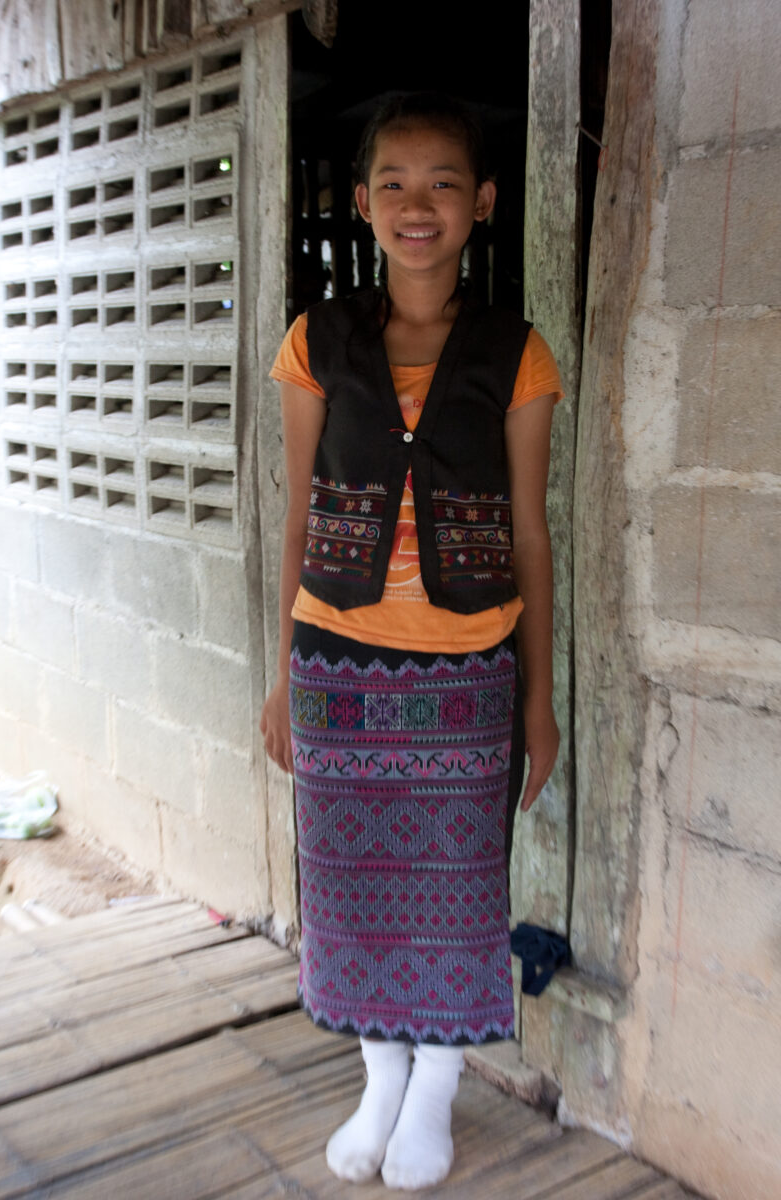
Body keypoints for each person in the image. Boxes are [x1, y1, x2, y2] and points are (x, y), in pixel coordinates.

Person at [261, 92, 561, 1191]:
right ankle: (377, 1075)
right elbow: (295, 514)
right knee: (346, 885)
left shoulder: (513, 354)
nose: (415, 204)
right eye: (391, 182)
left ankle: (433, 1084)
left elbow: (529, 532)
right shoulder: (316, 341)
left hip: (465, 670)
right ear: (360, 204)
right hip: (334, 662)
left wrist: (536, 697)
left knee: (460, 889)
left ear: (480, 203)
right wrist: (279, 677)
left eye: (441, 182)